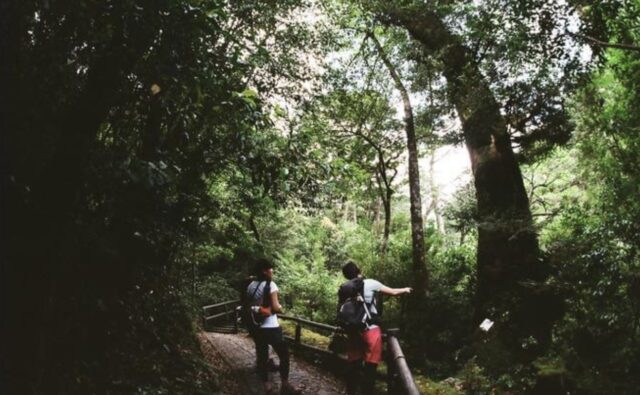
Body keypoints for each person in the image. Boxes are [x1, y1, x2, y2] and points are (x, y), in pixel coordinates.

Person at [338, 261, 412, 395]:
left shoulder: (345, 288)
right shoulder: (371, 283)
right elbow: (394, 292)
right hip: (370, 329)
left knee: (353, 364)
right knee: (370, 367)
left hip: (353, 331)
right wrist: (405, 289)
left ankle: (351, 392)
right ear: (359, 270)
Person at [246, 258, 301, 395]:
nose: (272, 271)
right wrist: (280, 307)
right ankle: (285, 385)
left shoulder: (251, 285)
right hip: (271, 327)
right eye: (270, 268)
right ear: (265, 271)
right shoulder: (271, 285)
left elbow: (251, 304)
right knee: (284, 355)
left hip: (257, 327)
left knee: (262, 357)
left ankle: (267, 388)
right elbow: (276, 308)